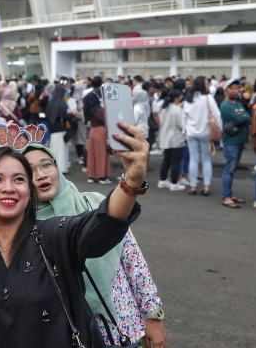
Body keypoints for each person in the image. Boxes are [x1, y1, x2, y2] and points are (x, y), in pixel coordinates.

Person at [0, 120, 148, 348]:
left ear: (29, 193)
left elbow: (101, 225)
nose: (9, 187)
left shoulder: (53, 235)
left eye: (19, 179)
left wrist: (132, 180)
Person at [22, 143, 166, 348]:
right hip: (75, 336)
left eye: (46, 165)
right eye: (29, 171)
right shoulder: (27, 230)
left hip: (126, 326)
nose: (41, 174)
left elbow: (133, 261)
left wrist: (153, 316)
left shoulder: (95, 204)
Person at [182, 76, 222, 196]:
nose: (208, 85)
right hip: (206, 133)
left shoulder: (188, 99)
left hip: (191, 133)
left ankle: (193, 187)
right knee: (206, 160)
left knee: (193, 159)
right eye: (206, 83)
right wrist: (220, 130)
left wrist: (185, 130)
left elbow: (184, 117)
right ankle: (206, 187)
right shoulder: (208, 98)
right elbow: (217, 115)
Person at [220, 79, 252, 208]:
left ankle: (229, 194)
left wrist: (243, 118)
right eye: (231, 88)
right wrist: (243, 118)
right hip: (231, 142)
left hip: (239, 141)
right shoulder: (225, 105)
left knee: (232, 170)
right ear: (226, 90)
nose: (234, 90)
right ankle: (226, 197)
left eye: (236, 88)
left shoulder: (238, 103)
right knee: (229, 169)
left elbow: (248, 118)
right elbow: (240, 118)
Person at [157, 90, 186, 191]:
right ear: (177, 98)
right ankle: (174, 183)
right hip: (175, 138)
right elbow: (181, 125)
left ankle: (162, 180)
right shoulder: (177, 110)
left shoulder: (166, 108)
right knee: (175, 161)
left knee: (166, 160)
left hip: (165, 137)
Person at [85, 76, 112, 184]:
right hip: (101, 131)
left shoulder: (88, 97)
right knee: (102, 154)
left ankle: (91, 176)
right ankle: (102, 176)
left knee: (92, 154)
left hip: (92, 130)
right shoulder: (100, 110)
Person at [46, 84, 69, 174]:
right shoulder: (62, 103)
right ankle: (62, 167)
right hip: (61, 128)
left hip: (52, 128)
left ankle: (54, 166)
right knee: (62, 149)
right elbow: (64, 114)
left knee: (54, 148)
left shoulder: (51, 102)